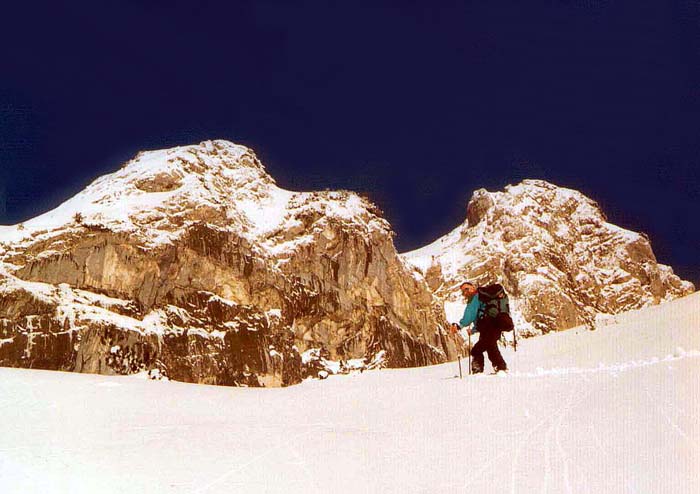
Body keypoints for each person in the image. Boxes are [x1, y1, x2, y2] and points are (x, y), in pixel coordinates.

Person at [451, 281, 508, 374]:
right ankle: (501, 368)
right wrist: (474, 330)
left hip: (489, 328)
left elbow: (470, 315)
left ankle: (478, 370)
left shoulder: (475, 297)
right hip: (494, 326)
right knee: (491, 347)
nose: (465, 292)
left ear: (473, 287)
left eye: (467, 289)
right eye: (463, 291)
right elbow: (483, 316)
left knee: (476, 350)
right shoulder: (483, 298)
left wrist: (459, 325)